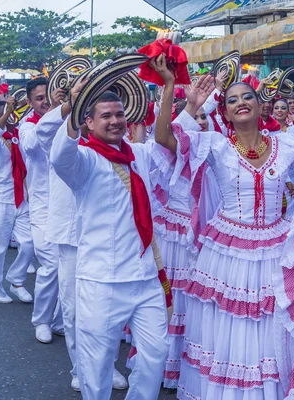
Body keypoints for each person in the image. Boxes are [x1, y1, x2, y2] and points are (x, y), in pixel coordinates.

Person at [153, 54, 294, 399]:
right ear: (226, 113)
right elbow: (163, 139)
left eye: (247, 97)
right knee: (229, 329)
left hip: (275, 248)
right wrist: (185, 100)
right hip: (226, 252)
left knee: (269, 328)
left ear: (260, 106)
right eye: (232, 100)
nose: (240, 103)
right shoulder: (214, 146)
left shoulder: (286, 145)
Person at [50, 78, 169, 399]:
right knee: (96, 366)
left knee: (156, 354)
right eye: (106, 116)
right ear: (88, 122)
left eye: (119, 114)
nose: (115, 120)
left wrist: (173, 89)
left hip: (145, 280)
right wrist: (72, 115)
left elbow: (166, 140)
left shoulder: (138, 156)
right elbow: (60, 157)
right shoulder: (85, 161)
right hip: (102, 282)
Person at [35, 91, 128, 392]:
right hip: (72, 237)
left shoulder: (114, 146)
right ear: (84, 117)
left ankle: (107, 365)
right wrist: (69, 104)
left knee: (108, 309)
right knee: (75, 309)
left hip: (106, 238)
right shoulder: (62, 138)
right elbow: (42, 130)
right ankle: (80, 367)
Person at [19, 78, 63, 340]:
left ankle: (59, 320)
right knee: (51, 264)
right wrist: (57, 110)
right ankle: (42, 319)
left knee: (71, 269)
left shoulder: (72, 120)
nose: (45, 102)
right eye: (39, 99)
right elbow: (32, 145)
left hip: (70, 205)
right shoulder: (27, 127)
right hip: (42, 206)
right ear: (29, 102)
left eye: (49, 96)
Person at [0, 97, 35, 303]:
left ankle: (16, 280)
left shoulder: (20, 137)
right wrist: (7, 112)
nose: (15, 116)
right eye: (9, 114)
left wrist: (27, 103)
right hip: (0, 200)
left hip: (21, 198)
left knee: (30, 243)